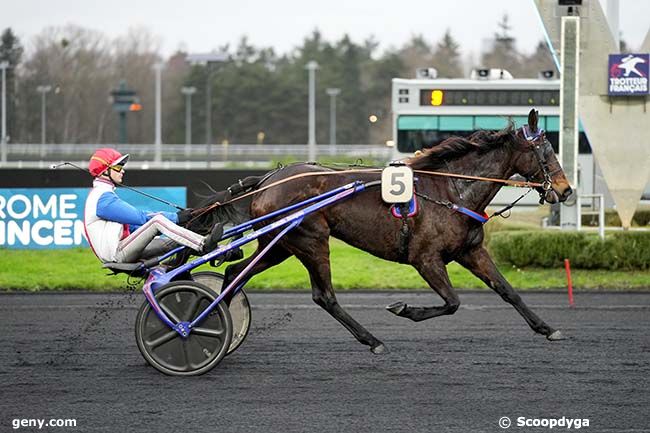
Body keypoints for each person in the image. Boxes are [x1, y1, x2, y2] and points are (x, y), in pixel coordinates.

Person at [83, 148, 223, 264]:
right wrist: (177, 218)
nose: (123, 171)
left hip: (123, 248)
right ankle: (203, 244)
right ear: (105, 171)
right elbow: (140, 217)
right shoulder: (102, 198)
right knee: (157, 221)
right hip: (118, 254)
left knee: (174, 241)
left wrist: (177, 224)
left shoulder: (104, 195)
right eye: (118, 167)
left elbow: (135, 227)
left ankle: (221, 252)